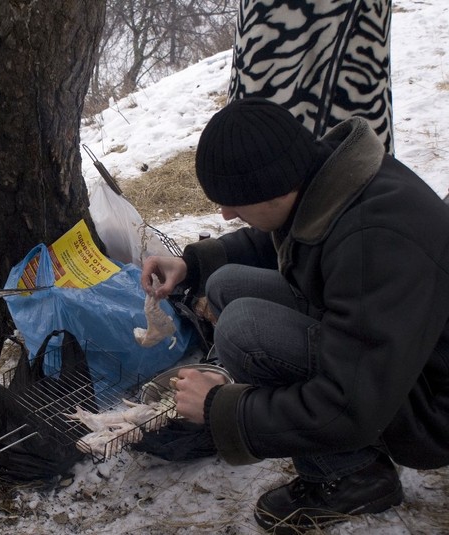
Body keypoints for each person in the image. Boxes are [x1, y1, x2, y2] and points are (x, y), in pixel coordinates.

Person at [142, 97, 449, 533]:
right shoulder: (328, 179)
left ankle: (351, 477)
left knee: (242, 330)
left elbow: (349, 404)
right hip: (393, 357)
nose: (226, 213)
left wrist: (220, 408)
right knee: (226, 282)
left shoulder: (373, 240)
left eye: (235, 201)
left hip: (429, 401)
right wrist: (192, 263)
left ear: (277, 187)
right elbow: (290, 234)